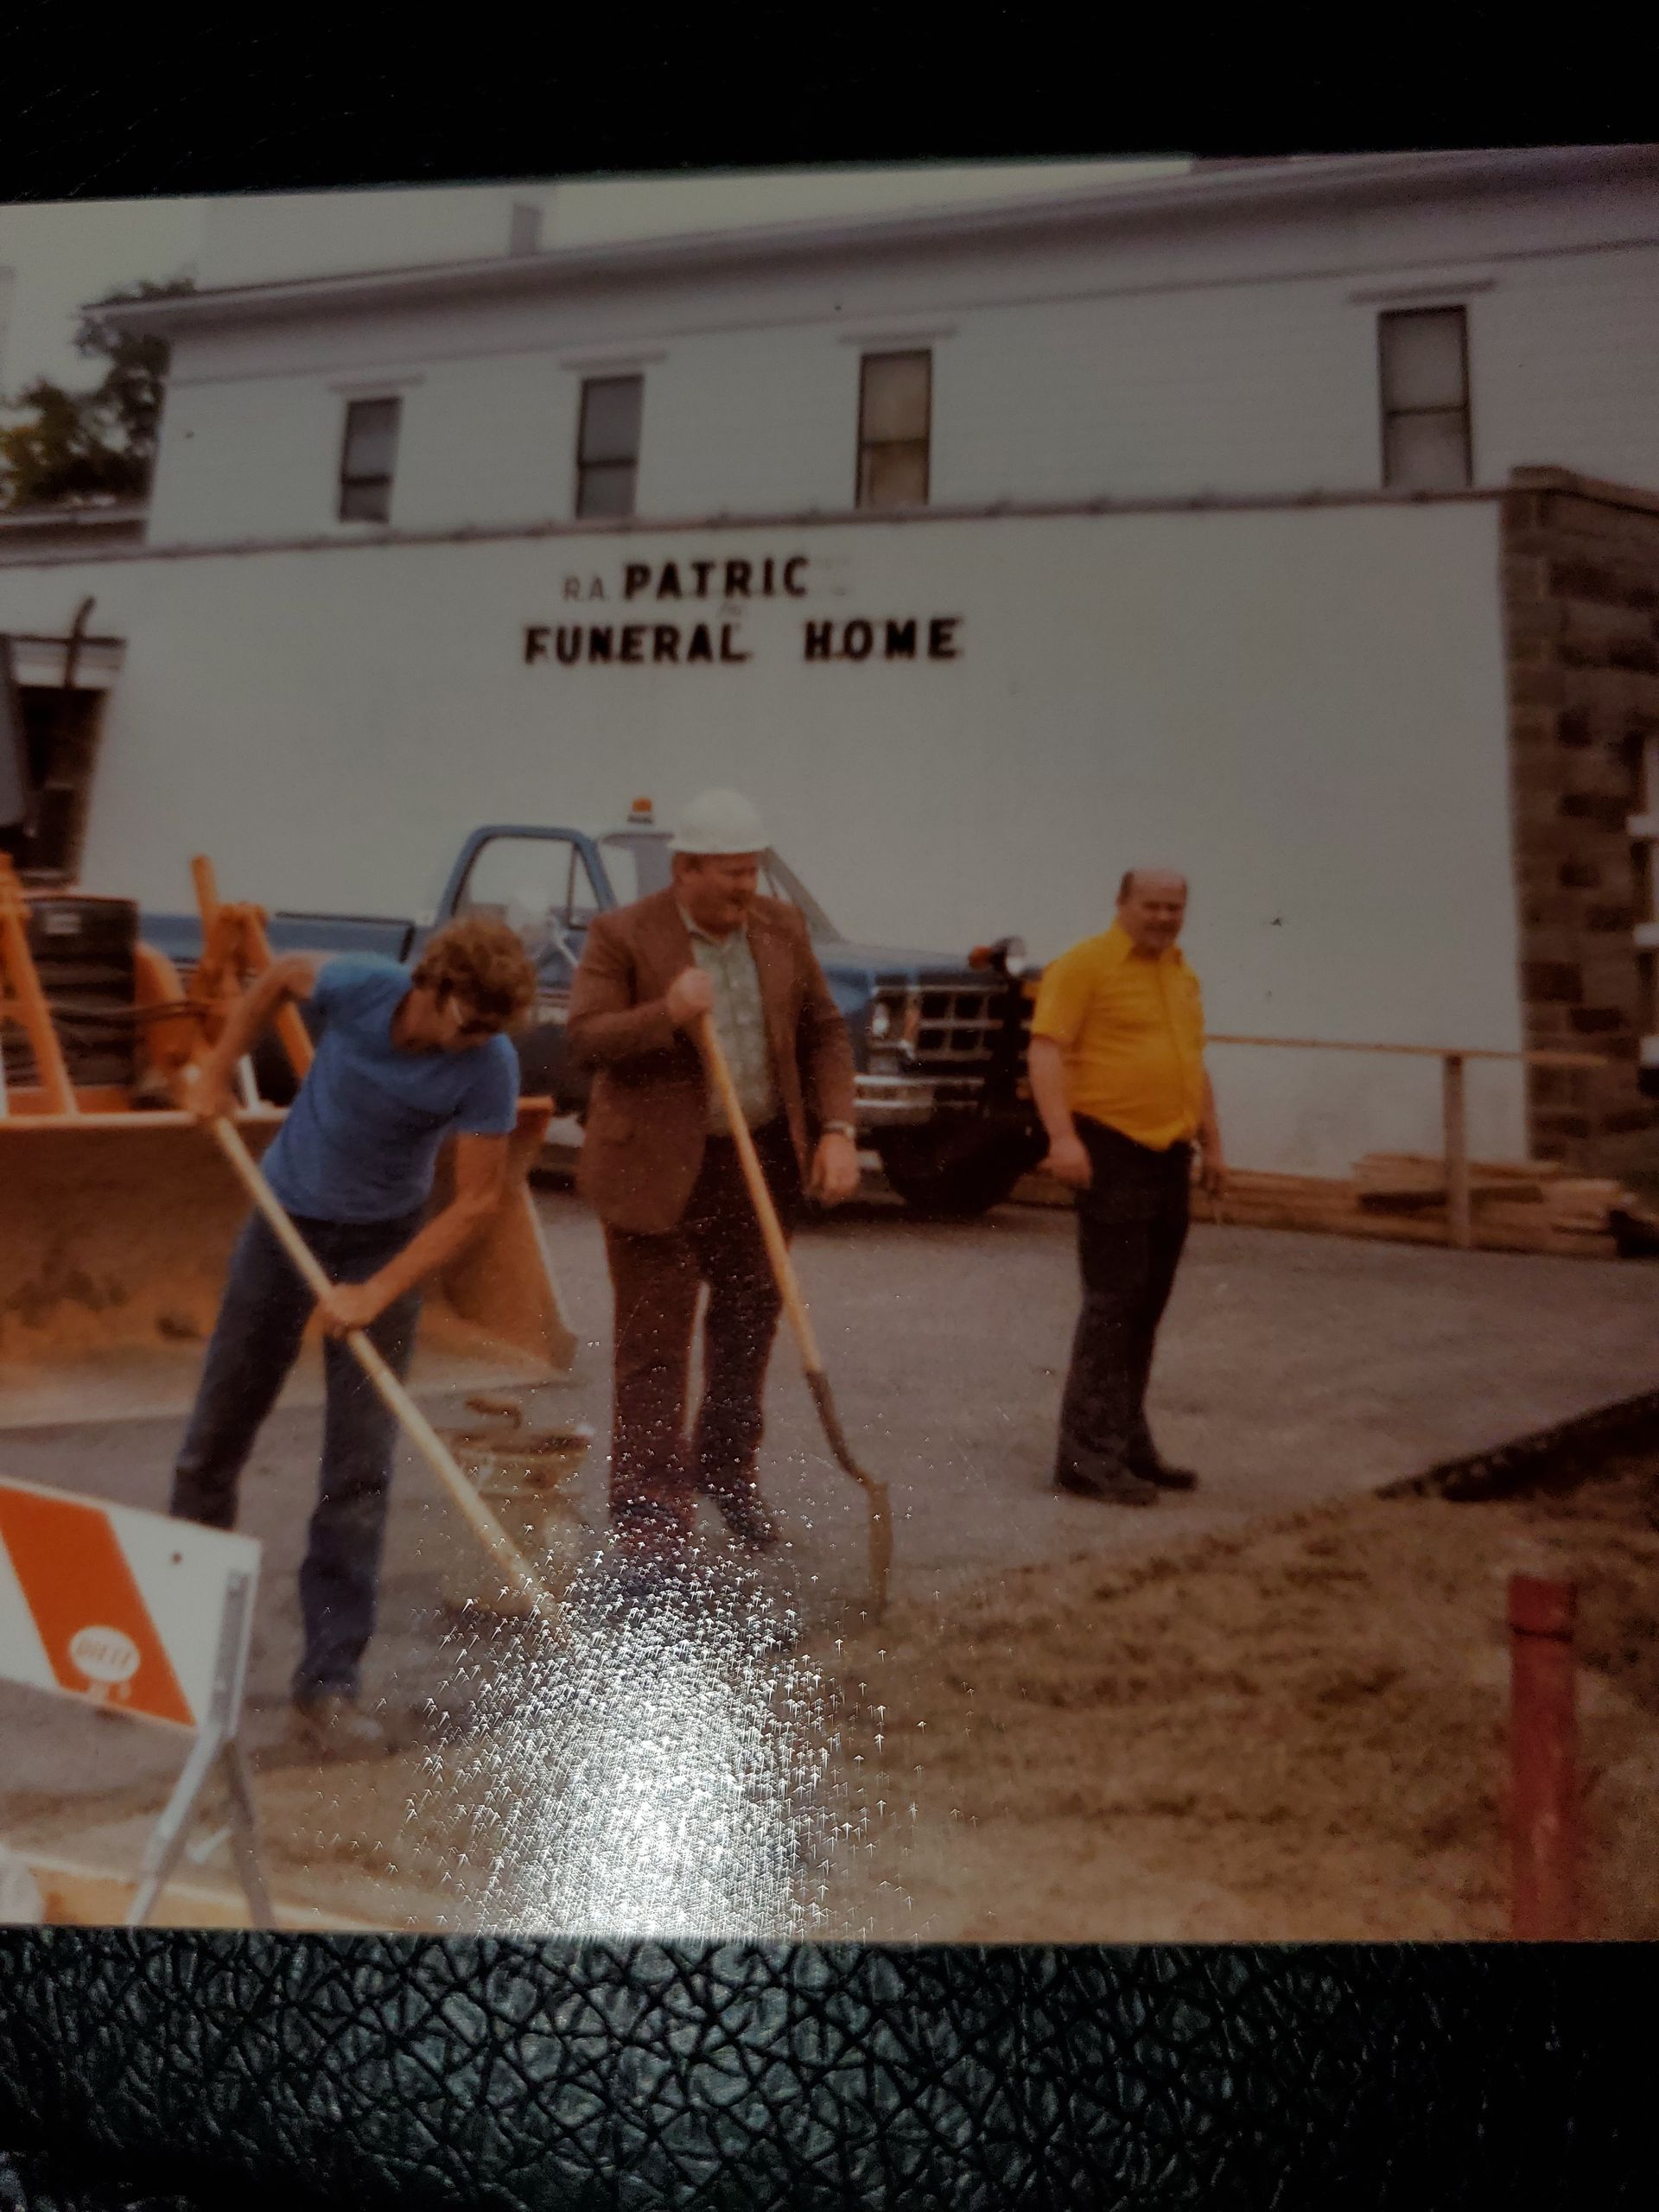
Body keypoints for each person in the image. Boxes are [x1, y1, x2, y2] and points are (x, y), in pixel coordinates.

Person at [169, 918, 537, 1756]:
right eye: (468, 1021)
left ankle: (328, 1685)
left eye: (491, 1031)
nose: (476, 1041)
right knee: (215, 1437)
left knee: (359, 1471)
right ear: (433, 987)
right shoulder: (361, 985)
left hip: (380, 1240)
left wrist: (377, 1289)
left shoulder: (489, 1067)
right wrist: (219, 1069)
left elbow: (478, 1201)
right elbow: (274, 980)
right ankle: (176, 1648)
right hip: (282, 1219)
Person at [566, 788, 860, 1585]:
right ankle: (650, 1520)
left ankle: (726, 1473)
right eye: (730, 875)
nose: (745, 889)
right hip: (655, 1168)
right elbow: (587, 1039)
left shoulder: (779, 927)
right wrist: (667, 1010)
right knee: (653, 1348)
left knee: (747, 1329)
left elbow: (824, 1032)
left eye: (753, 872)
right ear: (685, 868)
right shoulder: (623, 935)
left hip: (757, 1157)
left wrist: (837, 1130)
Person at [1027, 868, 1226, 1506]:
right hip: (1110, 1149)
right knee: (1113, 1305)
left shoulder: (1180, 974)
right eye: (1152, 905)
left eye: (1175, 907)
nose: (1164, 917)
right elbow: (1046, 1049)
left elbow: (1193, 1064)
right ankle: (1084, 1457)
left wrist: (1213, 1144)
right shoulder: (1084, 966)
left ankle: (1129, 1444)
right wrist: (1062, 1138)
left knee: (1146, 1307)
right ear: (1122, 904)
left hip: (1169, 1154)